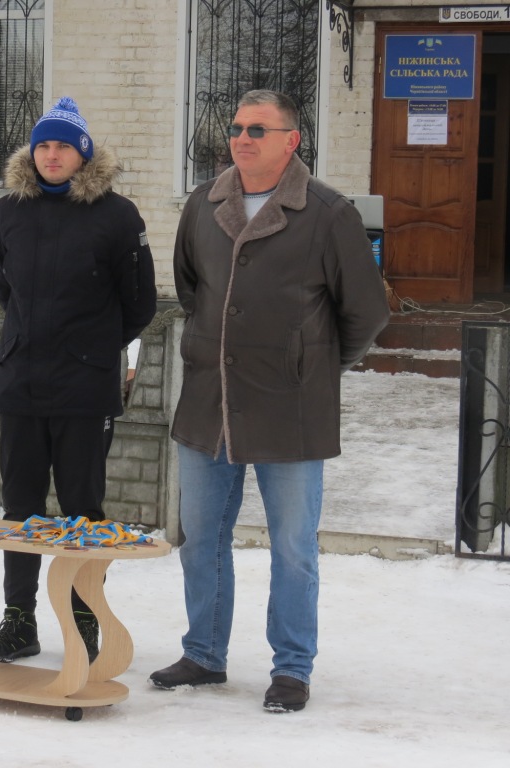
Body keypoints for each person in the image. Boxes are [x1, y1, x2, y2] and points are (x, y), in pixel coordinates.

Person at [149, 90, 389, 711]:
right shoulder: (203, 204)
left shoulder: (328, 213)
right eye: (235, 127)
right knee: (201, 539)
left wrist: (310, 364)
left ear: (292, 139)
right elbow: (191, 287)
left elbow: (364, 312)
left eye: (259, 128)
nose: (243, 137)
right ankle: (203, 653)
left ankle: (292, 668)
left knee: (292, 545)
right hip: (210, 403)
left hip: (292, 407)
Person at [0, 97, 157, 664]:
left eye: (63, 146)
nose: (51, 155)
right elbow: (6, 289)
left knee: (83, 510)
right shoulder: (10, 209)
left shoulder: (117, 215)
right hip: (22, 382)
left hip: (85, 388)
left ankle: (86, 624)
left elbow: (139, 305)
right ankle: (18, 622)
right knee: (20, 510)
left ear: (83, 155)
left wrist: (92, 348)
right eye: (43, 145)